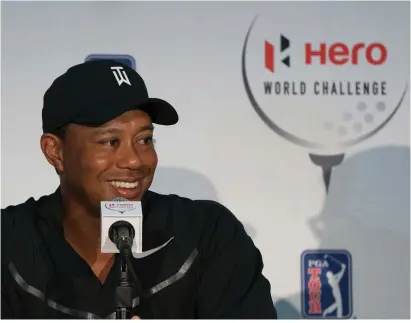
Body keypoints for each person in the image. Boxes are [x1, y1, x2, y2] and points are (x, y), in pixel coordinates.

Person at [1, 60, 277, 319]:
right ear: (55, 151)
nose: (135, 160)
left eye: (145, 139)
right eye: (110, 141)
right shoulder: (9, 242)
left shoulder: (207, 234)